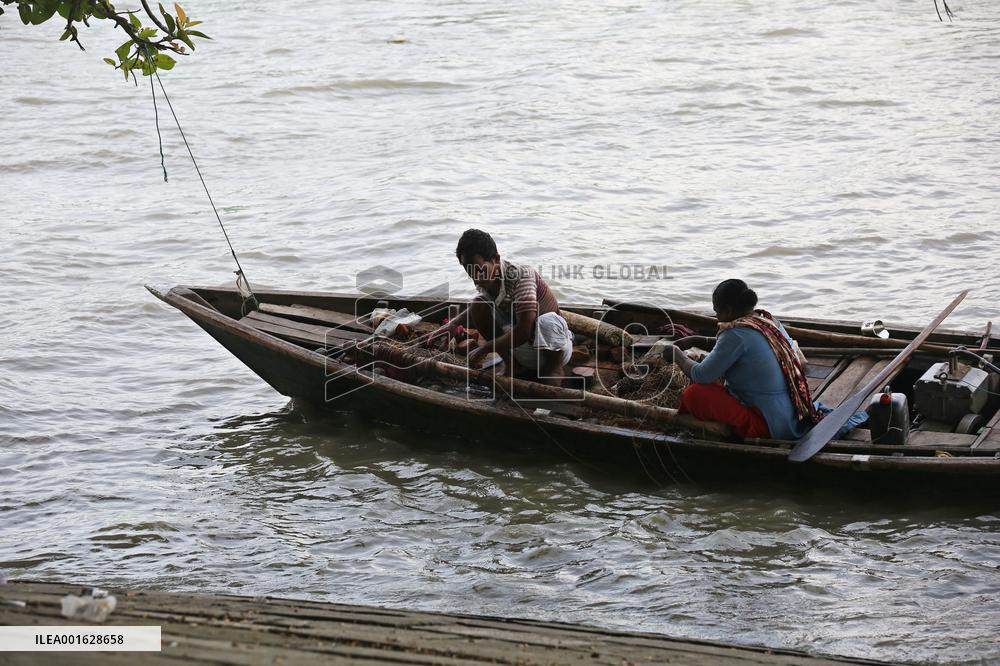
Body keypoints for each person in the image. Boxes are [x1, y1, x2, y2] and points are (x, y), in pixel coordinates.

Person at [668, 279, 821, 439]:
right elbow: (741, 346)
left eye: (717, 311)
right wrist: (697, 340)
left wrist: (676, 353)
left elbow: (700, 375)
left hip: (768, 423)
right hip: (796, 412)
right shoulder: (767, 320)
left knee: (694, 394)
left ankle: (742, 427)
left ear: (727, 311)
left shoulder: (735, 334)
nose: (716, 317)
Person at [452, 229, 573, 385]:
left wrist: (485, 348)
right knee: (478, 305)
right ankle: (512, 365)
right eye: (470, 273)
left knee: (548, 322)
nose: (476, 279)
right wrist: (453, 324)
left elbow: (524, 331)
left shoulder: (521, 275)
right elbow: (474, 312)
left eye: (479, 270)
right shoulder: (486, 279)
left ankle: (553, 371)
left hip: (550, 351)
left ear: (496, 259)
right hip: (523, 350)